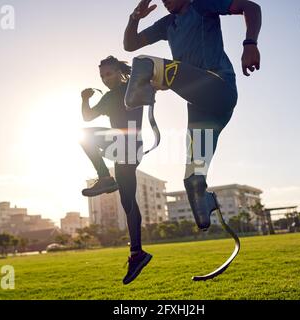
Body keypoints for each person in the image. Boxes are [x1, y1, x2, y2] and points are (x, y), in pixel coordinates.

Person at [123, 0, 261, 230]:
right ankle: (203, 206)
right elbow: (130, 44)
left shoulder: (201, 6)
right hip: (202, 108)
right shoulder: (168, 24)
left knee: (144, 65)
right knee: (194, 176)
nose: (165, 1)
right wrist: (135, 17)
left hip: (219, 87)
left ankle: (142, 91)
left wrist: (250, 44)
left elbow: (251, 7)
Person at [80, 56, 152, 285]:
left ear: (120, 72)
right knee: (127, 200)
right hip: (122, 149)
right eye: (102, 76)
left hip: (130, 141)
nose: (105, 79)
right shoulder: (109, 97)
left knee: (84, 135)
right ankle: (137, 253)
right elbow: (88, 116)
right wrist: (84, 99)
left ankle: (104, 178)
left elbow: (156, 80)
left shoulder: (134, 86)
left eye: (109, 73)